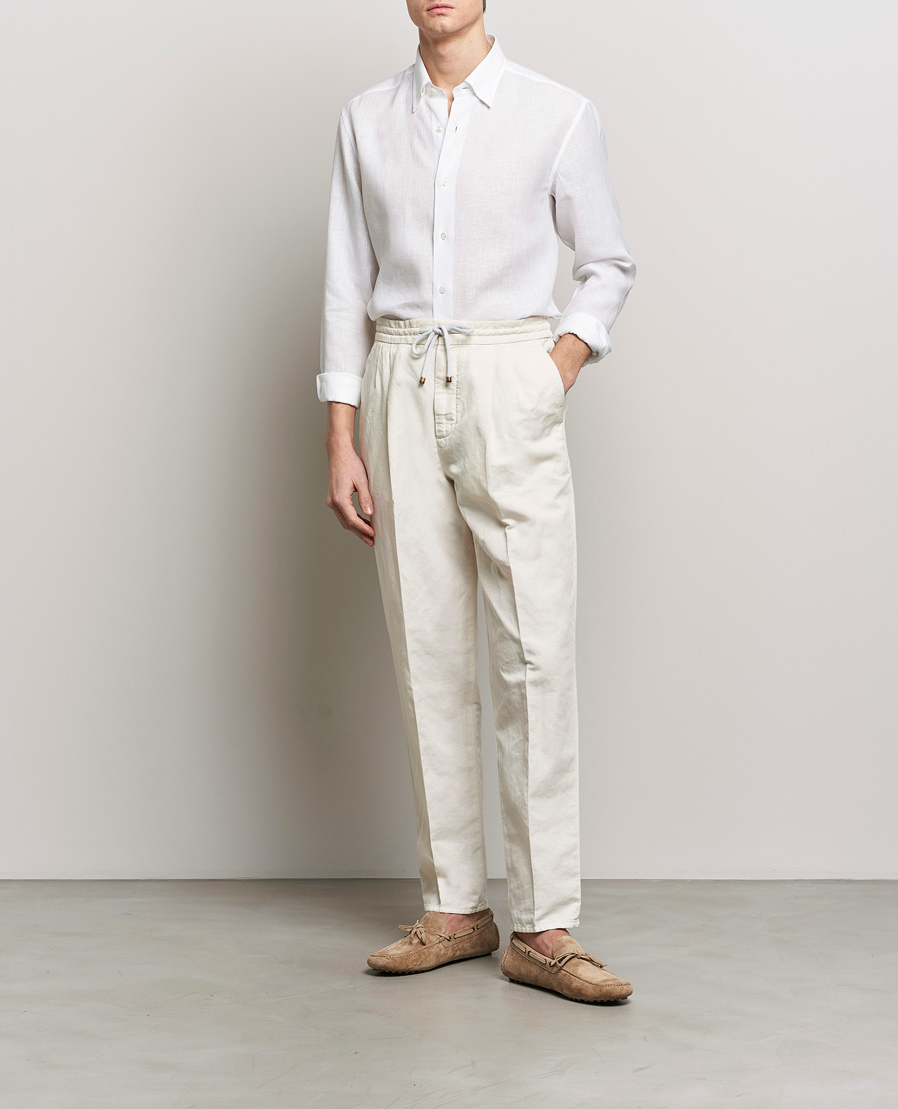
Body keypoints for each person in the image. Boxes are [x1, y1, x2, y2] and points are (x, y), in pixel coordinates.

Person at [318, 0, 636, 1004]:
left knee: (533, 646)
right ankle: (454, 908)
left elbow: (607, 262)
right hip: (398, 374)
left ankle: (544, 927)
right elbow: (346, 281)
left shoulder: (557, 113)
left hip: (510, 373)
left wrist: (555, 365)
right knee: (427, 643)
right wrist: (340, 433)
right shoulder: (366, 119)